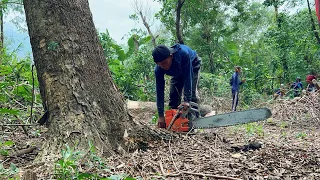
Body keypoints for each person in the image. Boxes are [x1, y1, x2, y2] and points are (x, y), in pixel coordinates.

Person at [152, 44, 201, 128]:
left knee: (191, 96)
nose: (164, 66)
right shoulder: (158, 70)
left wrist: (187, 100)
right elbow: (159, 91)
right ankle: (174, 123)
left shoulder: (183, 54)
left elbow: (187, 77)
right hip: (176, 71)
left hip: (192, 65)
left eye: (165, 63)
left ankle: (193, 122)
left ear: (171, 56)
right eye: (160, 64)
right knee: (173, 95)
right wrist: (160, 115)